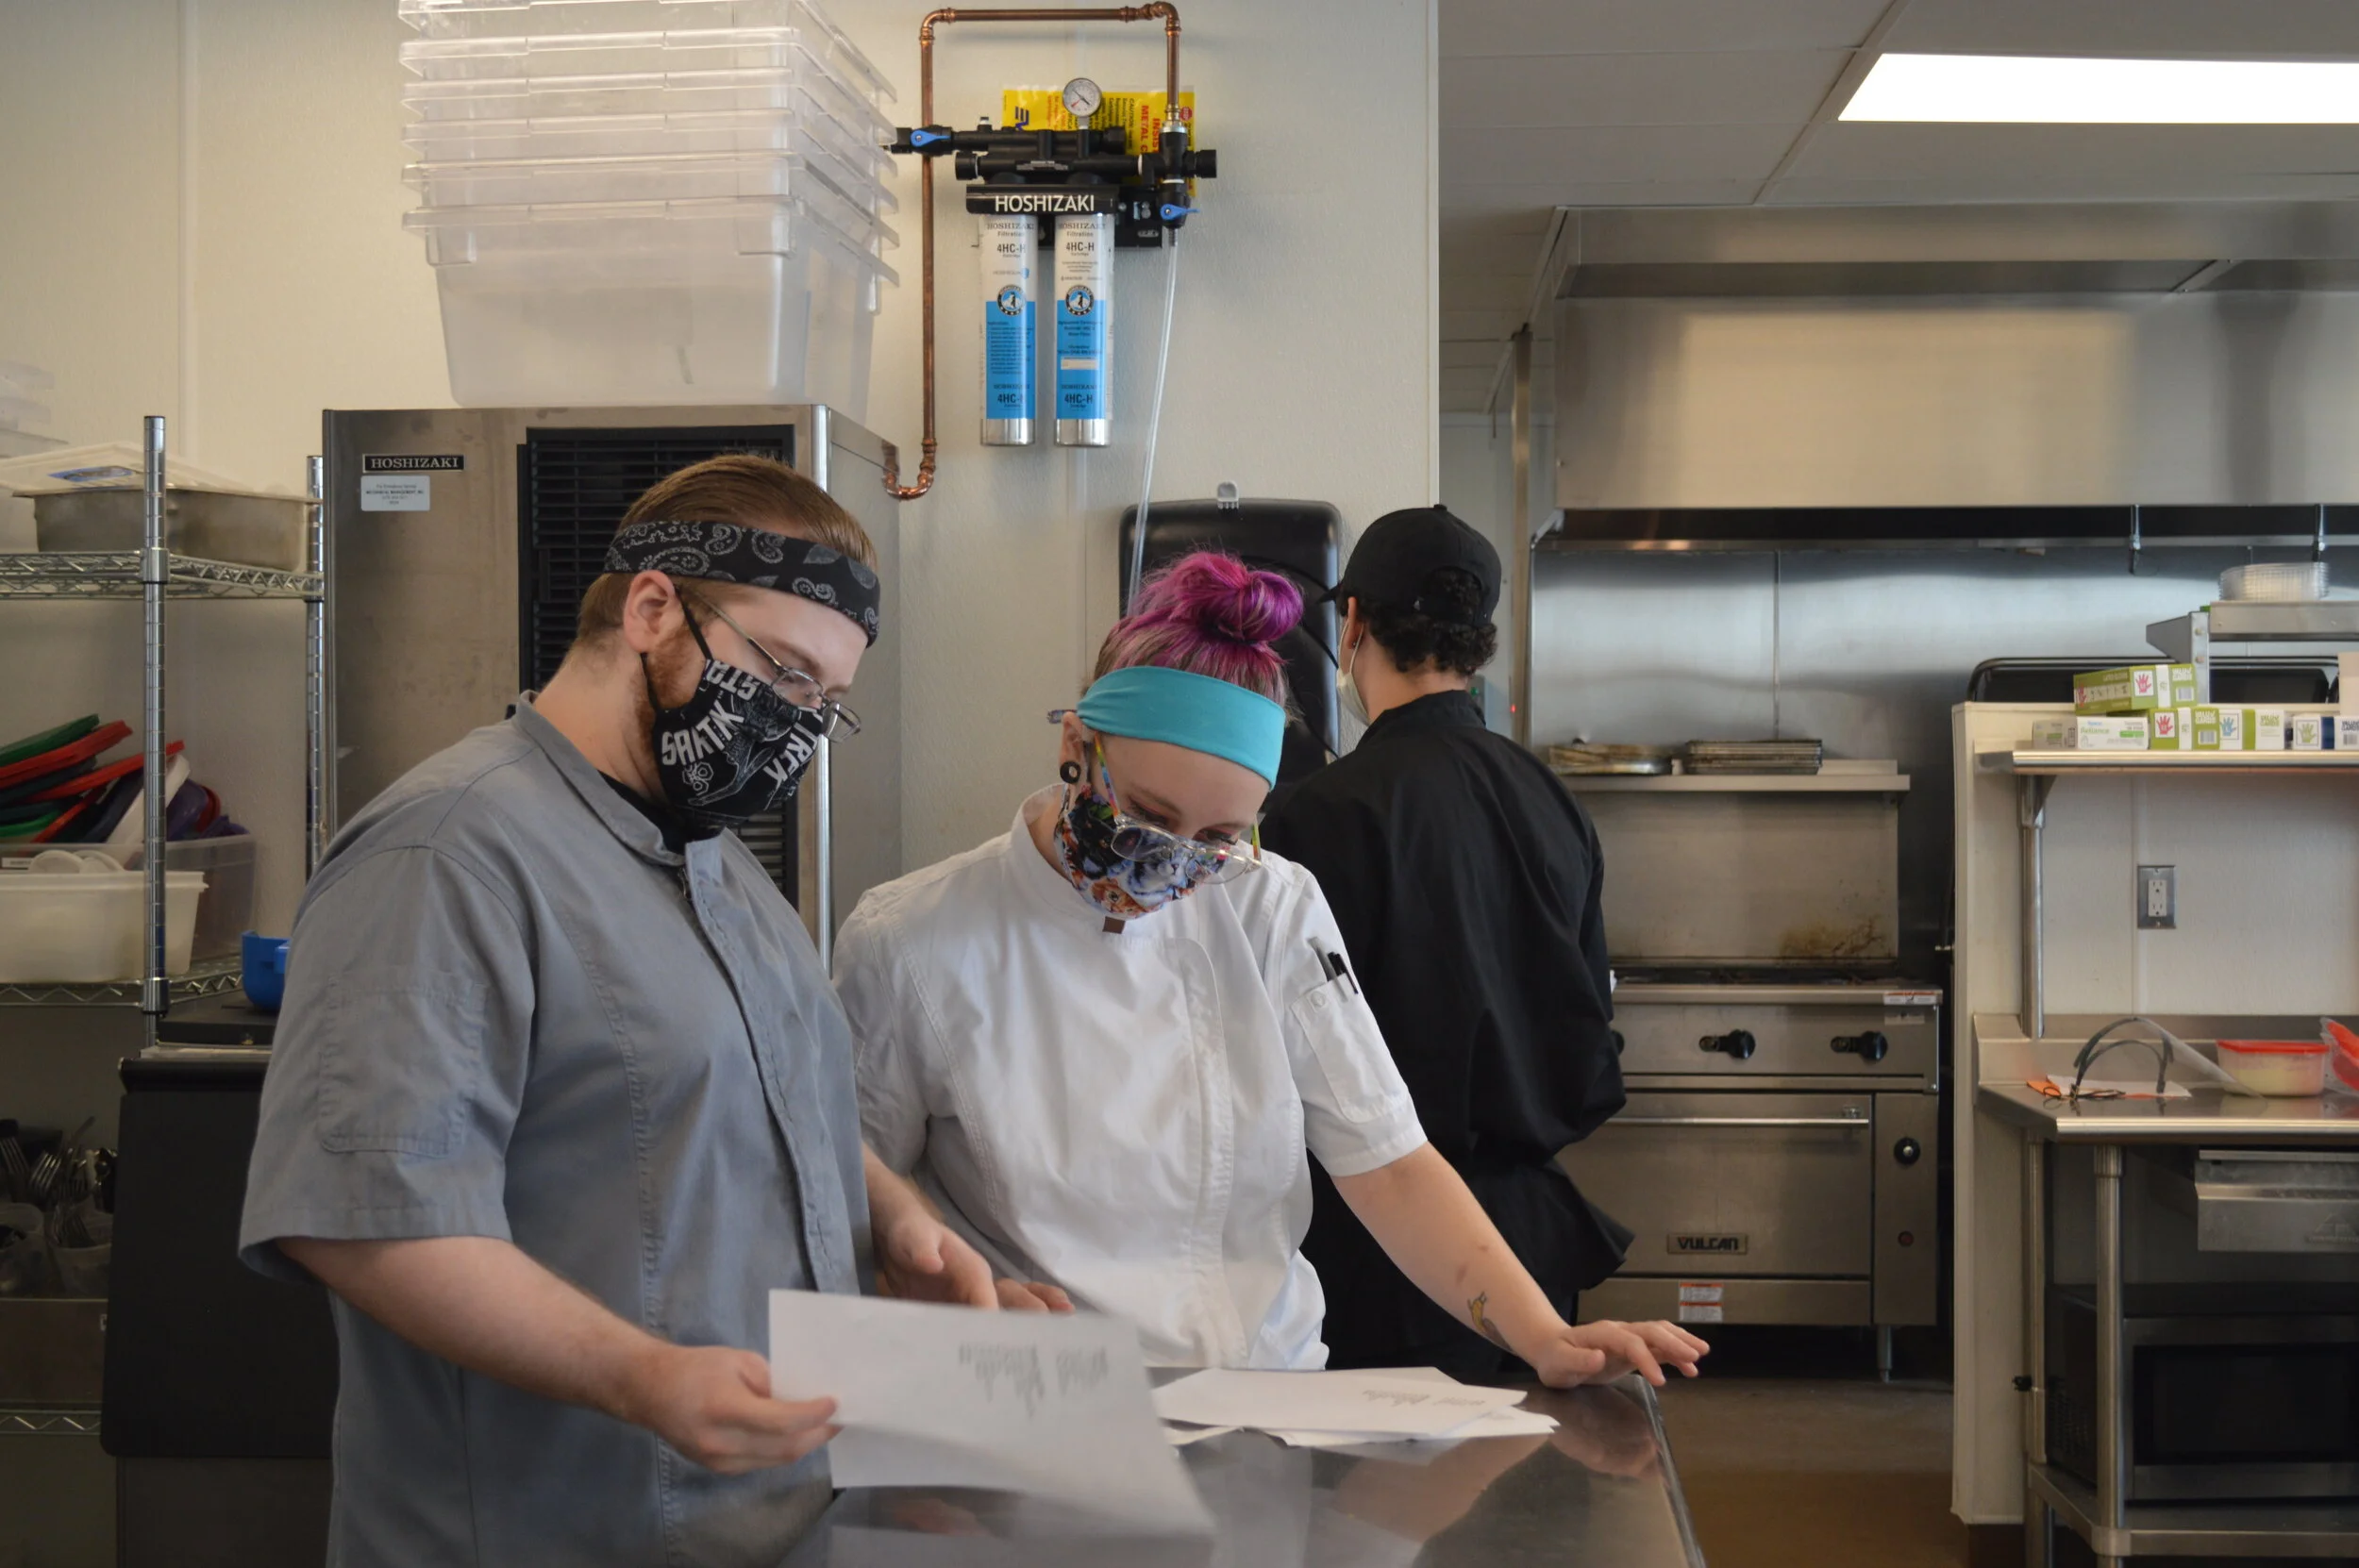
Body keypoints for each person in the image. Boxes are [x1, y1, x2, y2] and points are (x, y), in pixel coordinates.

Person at [240, 456, 1058, 1568]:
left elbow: (742, 1096)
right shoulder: (448, 853)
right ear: (652, 608)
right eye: (785, 673)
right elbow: (363, 1217)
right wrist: (642, 1376)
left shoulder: (721, 867)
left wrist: (898, 1225)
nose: (798, 727)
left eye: (827, 703)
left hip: (771, 1526)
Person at [835, 551, 1702, 1384]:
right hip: (1042, 1394)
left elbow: (1388, 1163)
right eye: (1148, 815)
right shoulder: (913, 937)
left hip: (1265, 1392)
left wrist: (1544, 1336)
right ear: (1076, 742)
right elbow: (846, 1186)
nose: (1173, 860)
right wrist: (943, 1295)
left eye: (1217, 838)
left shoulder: (1270, 906)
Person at [1259, 506, 1635, 1379]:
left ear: (1352, 623)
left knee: (1390, 1475)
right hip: (1535, 1259)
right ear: (1479, 642)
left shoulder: (1320, 813)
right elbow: (1592, 1039)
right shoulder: (1553, 801)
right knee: (1525, 1467)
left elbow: (1286, 1055)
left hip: (1384, 1253)